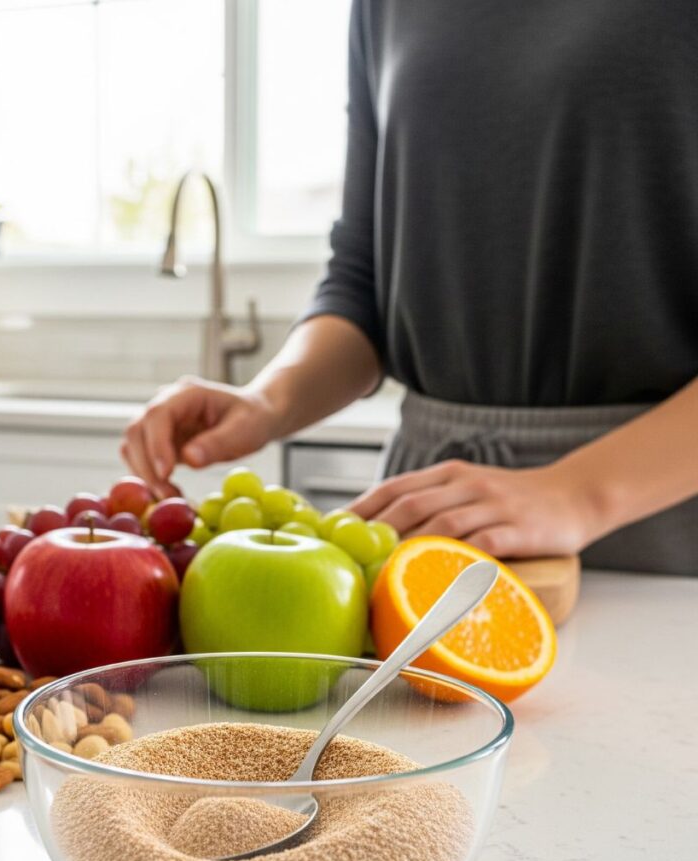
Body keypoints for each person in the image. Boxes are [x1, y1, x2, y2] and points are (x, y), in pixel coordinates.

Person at [122, 0, 698, 575]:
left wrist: (576, 492)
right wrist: (268, 401)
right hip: (433, 521)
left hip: (661, 528)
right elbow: (364, 277)